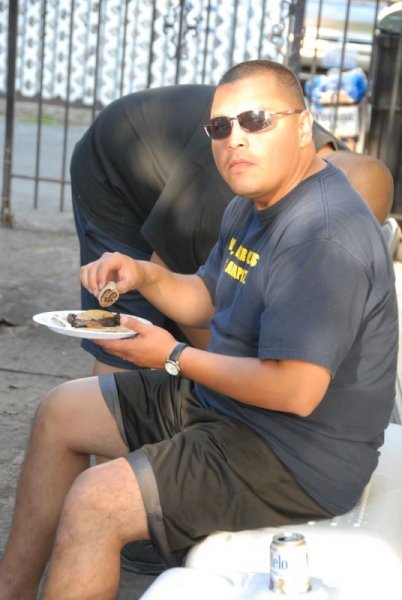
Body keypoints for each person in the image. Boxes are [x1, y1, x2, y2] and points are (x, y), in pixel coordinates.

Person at [0, 59, 398, 599]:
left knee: (97, 502)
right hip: (233, 412)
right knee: (60, 411)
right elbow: (206, 296)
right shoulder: (253, 205)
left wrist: (172, 356)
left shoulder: (322, 235)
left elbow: (295, 390)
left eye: (256, 120)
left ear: (304, 126)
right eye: (220, 127)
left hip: (296, 457)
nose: (236, 139)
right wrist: (142, 274)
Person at [70, 83, 394, 375]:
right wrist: (225, 370)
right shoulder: (239, 189)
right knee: (127, 341)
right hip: (116, 166)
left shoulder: (334, 172)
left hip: (175, 173)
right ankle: (101, 411)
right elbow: (170, 266)